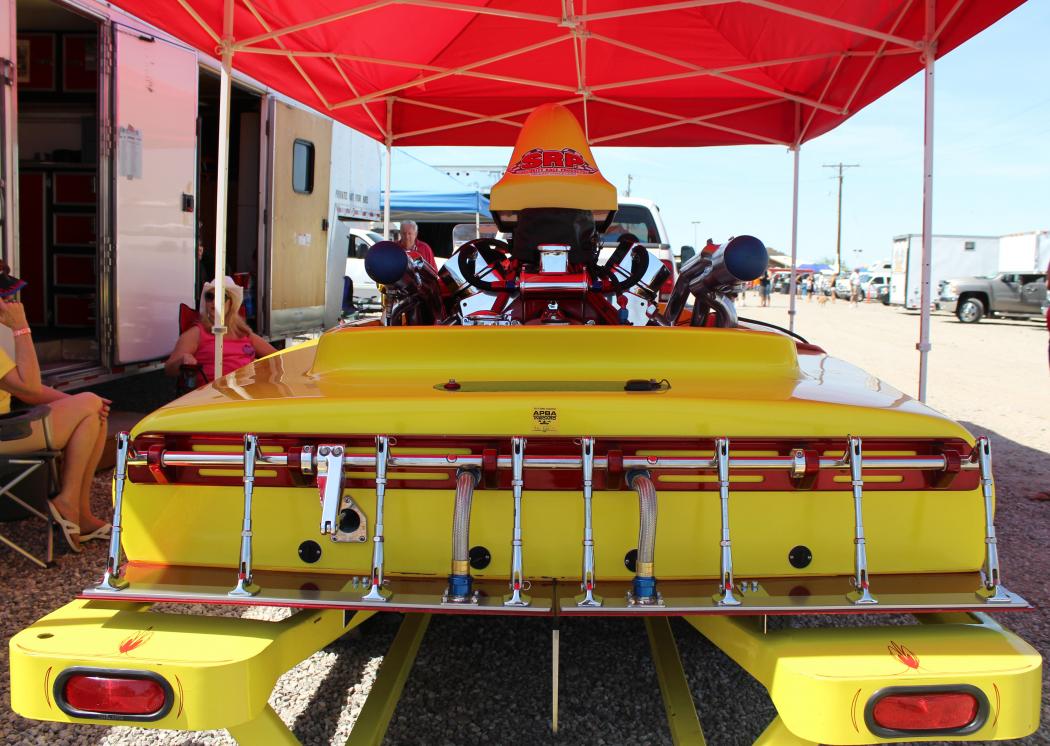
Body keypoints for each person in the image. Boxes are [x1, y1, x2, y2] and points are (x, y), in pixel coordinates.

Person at [0, 266, 112, 551]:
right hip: (4, 434)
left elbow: (22, 388)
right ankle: (68, 504)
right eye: (5, 296)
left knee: (94, 411)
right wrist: (21, 328)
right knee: (90, 407)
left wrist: (78, 403)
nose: (12, 302)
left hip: (6, 427)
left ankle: (79, 512)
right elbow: (29, 387)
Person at [165, 276, 277, 383]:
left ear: (231, 303)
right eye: (210, 297)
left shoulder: (243, 333)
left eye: (221, 297)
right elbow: (169, 369)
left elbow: (278, 357)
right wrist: (182, 360)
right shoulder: (197, 333)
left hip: (246, 390)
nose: (214, 302)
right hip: (213, 393)